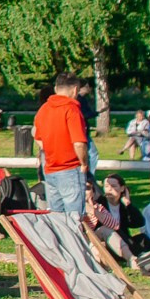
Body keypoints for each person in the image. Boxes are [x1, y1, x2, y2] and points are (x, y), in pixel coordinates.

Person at [32, 73, 89, 216]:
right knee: (74, 216)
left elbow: (37, 137)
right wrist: (84, 163)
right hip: (70, 168)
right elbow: (79, 143)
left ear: (56, 88)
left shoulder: (44, 109)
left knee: (57, 216)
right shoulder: (72, 109)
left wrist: (52, 149)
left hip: (50, 169)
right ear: (75, 90)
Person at [89, 175, 149, 261]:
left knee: (143, 238)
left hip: (125, 240)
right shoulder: (100, 204)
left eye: (113, 186)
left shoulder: (123, 205)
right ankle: (136, 255)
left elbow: (139, 223)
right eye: (106, 186)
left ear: (122, 188)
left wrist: (128, 205)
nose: (109, 189)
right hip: (109, 240)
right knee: (118, 232)